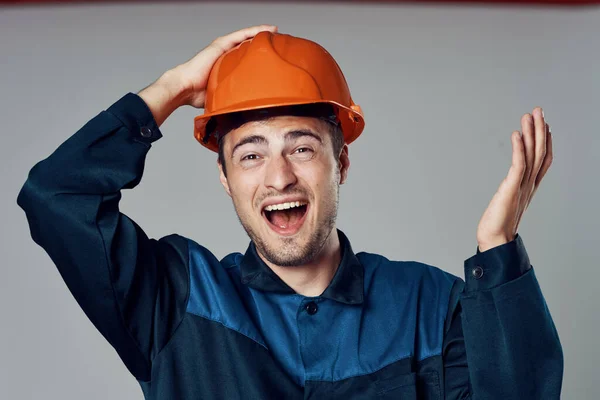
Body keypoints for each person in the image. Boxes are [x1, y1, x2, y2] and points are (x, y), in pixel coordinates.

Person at [17, 25, 563, 399]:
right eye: (250, 155)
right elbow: (55, 195)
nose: (278, 177)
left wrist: (498, 247)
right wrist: (172, 88)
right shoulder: (176, 299)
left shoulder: (430, 306)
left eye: (301, 148)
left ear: (340, 163)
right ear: (225, 179)